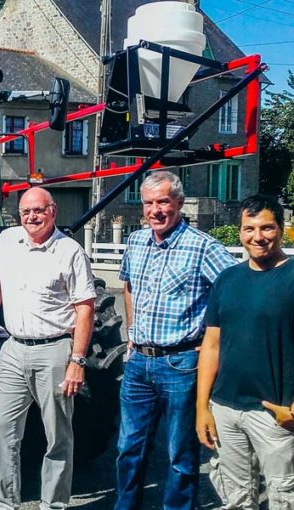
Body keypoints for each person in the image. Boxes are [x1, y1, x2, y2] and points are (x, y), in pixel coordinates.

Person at [115, 171, 236, 510]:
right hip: (138, 361)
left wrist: (214, 339)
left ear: (180, 204)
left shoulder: (202, 246)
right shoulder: (137, 241)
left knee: (179, 453)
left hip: (181, 364)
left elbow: (234, 294)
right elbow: (128, 286)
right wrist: (132, 331)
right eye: (149, 203)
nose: (155, 210)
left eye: (163, 202)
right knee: (128, 448)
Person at [0, 187, 96, 510]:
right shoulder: (7, 242)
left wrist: (77, 360)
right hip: (12, 348)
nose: (32, 217)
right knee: (2, 430)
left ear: (53, 211)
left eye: (38, 210)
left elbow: (86, 308)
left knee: (58, 435)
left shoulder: (69, 251)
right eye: (26, 212)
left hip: (55, 350)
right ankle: (4, 502)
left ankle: (54, 503)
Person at [196, 194, 294, 509]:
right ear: (239, 231)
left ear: (281, 228)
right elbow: (211, 345)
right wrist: (203, 407)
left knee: (284, 497)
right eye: (249, 228)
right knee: (236, 498)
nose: (257, 237)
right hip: (226, 408)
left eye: (266, 228)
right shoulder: (227, 280)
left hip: (276, 413)